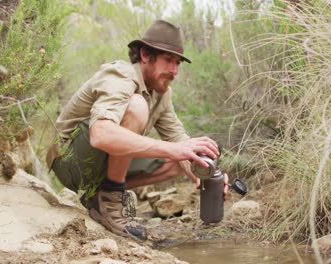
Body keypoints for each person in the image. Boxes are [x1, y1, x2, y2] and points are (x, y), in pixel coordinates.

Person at [46, 20, 228, 240]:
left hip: (97, 167)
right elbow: (100, 134)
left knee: (180, 161)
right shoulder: (121, 74)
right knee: (138, 107)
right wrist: (173, 149)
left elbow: (179, 138)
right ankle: (111, 202)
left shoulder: (162, 93)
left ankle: (100, 197)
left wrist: (205, 172)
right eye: (168, 60)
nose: (174, 71)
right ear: (144, 55)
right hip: (70, 161)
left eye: (178, 63)